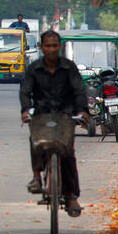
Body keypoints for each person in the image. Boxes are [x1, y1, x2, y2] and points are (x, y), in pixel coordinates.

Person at [20, 29, 90, 217]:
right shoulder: (34, 69)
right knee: (35, 141)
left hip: (64, 116)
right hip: (42, 115)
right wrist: (25, 110)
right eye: (47, 46)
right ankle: (36, 177)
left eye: (54, 46)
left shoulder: (69, 68)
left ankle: (71, 195)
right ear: (42, 48)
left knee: (67, 154)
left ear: (59, 47)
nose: (51, 49)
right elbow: (25, 91)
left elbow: (79, 91)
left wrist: (82, 111)